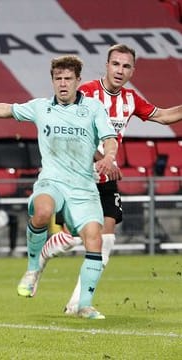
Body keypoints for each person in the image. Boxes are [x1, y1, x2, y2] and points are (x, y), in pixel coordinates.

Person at [0, 55, 119, 319]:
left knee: (94, 240)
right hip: (52, 180)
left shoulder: (94, 109)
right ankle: (33, 269)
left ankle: (84, 305)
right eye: (58, 79)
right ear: (52, 81)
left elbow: (109, 139)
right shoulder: (41, 107)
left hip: (83, 187)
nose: (63, 84)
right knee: (42, 211)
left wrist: (109, 157)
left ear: (78, 81)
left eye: (68, 79)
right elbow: (5, 109)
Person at [39, 43, 182, 314]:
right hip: (76, 176)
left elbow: (163, 116)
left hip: (104, 177)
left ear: (132, 71)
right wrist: (100, 158)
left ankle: (79, 304)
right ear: (106, 65)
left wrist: (106, 162)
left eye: (126, 66)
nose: (120, 70)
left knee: (106, 241)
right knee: (70, 241)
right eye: (115, 64)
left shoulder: (130, 99)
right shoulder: (87, 93)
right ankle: (46, 252)